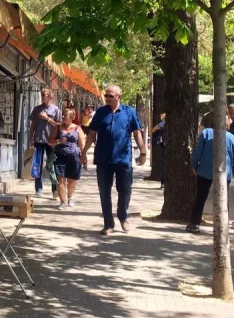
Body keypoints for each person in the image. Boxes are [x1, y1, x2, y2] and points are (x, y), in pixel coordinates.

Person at [82, 84, 146, 236]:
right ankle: (108, 224)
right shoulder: (101, 113)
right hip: (103, 159)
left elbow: (137, 133)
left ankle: (123, 216)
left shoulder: (129, 112)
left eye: (110, 95)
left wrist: (143, 152)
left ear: (119, 97)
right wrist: (83, 153)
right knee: (104, 192)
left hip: (123, 158)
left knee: (125, 190)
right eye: (106, 95)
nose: (107, 98)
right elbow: (91, 134)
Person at [186, 113, 234, 233]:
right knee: (223, 199)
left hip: (205, 170)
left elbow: (197, 152)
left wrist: (195, 165)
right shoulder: (232, 138)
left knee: (200, 198)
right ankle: (222, 225)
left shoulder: (206, 133)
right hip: (224, 172)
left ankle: (194, 223)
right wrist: (230, 164)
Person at [28, 88, 62, 196]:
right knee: (37, 164)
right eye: (42, 94)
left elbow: (58, 125)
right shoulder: (37, 109)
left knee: (51, 165)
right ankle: (38, 188)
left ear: (50, 96)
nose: (42, 96)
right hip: (38, 139)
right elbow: (32, 124)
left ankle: (54, 189)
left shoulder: (56, 110)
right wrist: (30, 138)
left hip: (50, 141)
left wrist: (47, 118)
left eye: (44, 94)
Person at [51, 108, 85, 210]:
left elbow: (82, 143)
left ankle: (70, 197)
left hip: (74, 157)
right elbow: (49, 141)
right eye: (62, 115)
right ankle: (62, 202)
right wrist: (58, 141)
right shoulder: (57, 128)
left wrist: (84, 156)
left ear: (71, 118)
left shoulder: (77, 128)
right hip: (60, 156)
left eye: (65, 116)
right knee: (60, 179)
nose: (62, 117)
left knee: (72, 181)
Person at [151, 113, 166, 188]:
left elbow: (154, 129)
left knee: (164, 164)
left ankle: (163, 183)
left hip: (164, 146)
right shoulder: (164, 123)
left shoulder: (163, 123)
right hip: (167, 146)